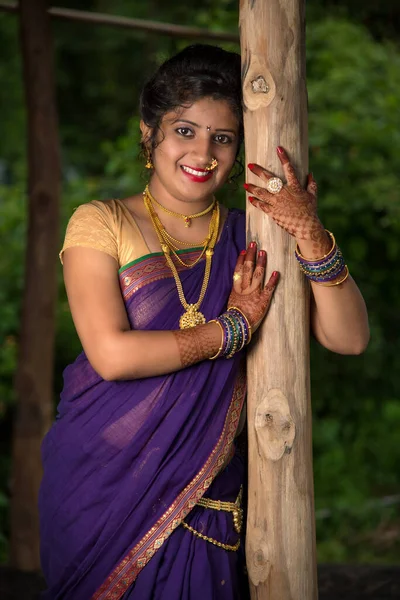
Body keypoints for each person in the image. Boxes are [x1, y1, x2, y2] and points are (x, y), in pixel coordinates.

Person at [38, 44, 369, 600]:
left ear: (238, 149)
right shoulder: (102, 223)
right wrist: (234, 327)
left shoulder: (256, 234)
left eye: (223, 137)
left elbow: (350, 338)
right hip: (102, 483)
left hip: (205, 492)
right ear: (150, 134)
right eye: (185, 131)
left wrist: (310, 234)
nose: (203, 152)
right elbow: (113, 356)